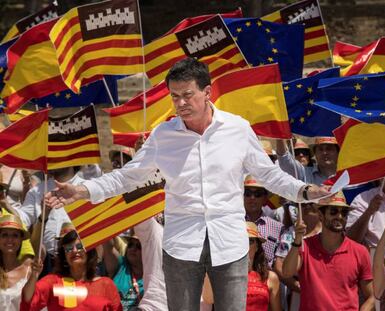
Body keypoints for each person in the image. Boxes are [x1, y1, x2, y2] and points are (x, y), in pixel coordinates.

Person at [46, 58, 329, 311]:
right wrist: (81, 190)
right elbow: (126, 177)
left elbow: (270, 175)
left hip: (230, 243)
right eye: (174, 97)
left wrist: (304, 191)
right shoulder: (163, 135)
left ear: (207, 93)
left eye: (187, 95)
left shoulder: (238, 129)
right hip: (181, 246)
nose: (180, 103)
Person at [283, 192, 375, 310]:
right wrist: (297, 240)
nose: (340, 216)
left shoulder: (360, 251)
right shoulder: (304, 246)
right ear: (321, 215)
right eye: (333, 211)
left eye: (344, 212)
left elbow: (371, 297)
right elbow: (287, 272)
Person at [21, 229, 122, 310]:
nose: (74, 251)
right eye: (69, 248)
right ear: (64, 255)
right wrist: (34, 275)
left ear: (89, 251)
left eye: (79, 246)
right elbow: (28, 300)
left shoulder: (106, 284)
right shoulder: (54, 281)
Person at [274, 202, 322, 310]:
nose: (306, 207)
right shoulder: (290, 233)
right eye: (302, 204)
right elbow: (279, 265)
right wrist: (298, 286)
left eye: (311, 203)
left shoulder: (327, 233)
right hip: (296, 293)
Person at [244, 175, 283, 268]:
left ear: (265, 198)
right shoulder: (232, 223)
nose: (252, 198)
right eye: (247, 193)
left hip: (266, 278)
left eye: (258, 194)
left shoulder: (278, 228)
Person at [246, 222, 281, 311]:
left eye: (250, 241)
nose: (245, 245)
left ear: (257, 246)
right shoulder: (224, 275)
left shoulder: (270, 277)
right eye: (240, 241)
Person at [0, 214, 32, 311]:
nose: (10, 239)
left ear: (21, 240)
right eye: (5, 235)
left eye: (15, 235)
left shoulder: (30, 270)